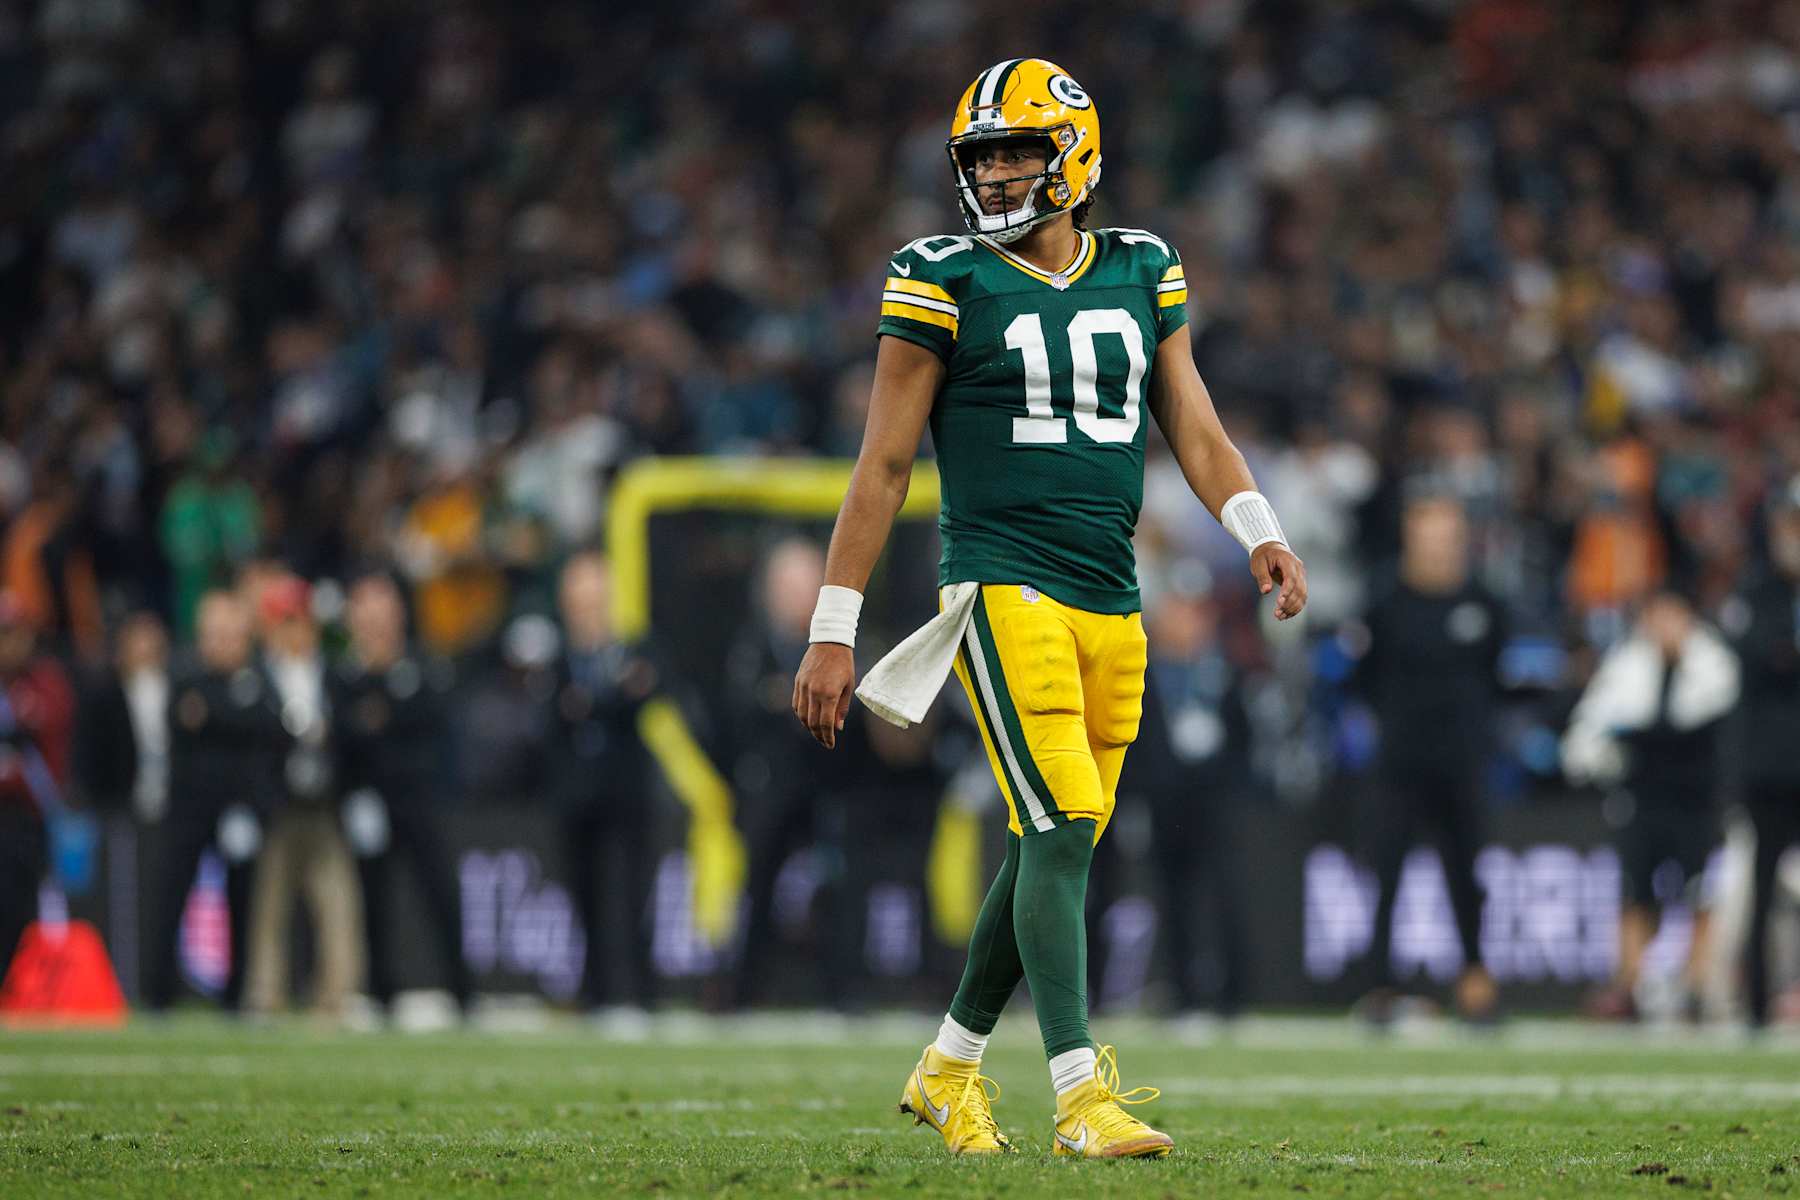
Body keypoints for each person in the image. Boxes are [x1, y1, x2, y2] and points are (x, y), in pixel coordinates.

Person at [791, 59, 1306, 1159]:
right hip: (1000, 582)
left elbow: (1198, 431)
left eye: (1018, 152)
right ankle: (1080, 1096)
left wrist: (1257, 528)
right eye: (982, 159)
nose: (997, 176)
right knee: (1063, 824)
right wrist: (834, 626)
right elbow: (882, 466)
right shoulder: (941, 277)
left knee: (1049, 846)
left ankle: (947, 1071)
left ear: (1074, 155)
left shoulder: (1143, 267)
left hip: (1110, 596)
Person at [1352, 490, 1503, 1024]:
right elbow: (1362, 678)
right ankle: (1378, 989)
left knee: (1467, 875)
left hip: (1462, 763)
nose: (1438, 546)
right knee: (1387, 871)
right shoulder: (1385, 600)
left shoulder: (1484, 601)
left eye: (1446, 535)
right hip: (1400, 763)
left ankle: (1476, 980)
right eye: (1428, 534)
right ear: (1410, 538)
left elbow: (1499, 674)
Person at [1563, 589, 1739, 1020]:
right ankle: (1629, 986)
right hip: (1642, 797)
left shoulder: (1714, 665)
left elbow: (1719, 724)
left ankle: (1697, 987)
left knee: (1700, 893)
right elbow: (1592, 726)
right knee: (1634, 892)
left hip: (1696, 799)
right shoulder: (1627, 665)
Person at [1109, 562, 1251, 1023]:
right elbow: (1133, 741)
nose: (1190, 621)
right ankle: (1184, 991)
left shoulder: (1225, 671)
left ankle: (1232, 995)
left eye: (1197, 611)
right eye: (1182, 609)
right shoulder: (1142, 670)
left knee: (1224, 891)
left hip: (1213, 799)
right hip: (1164, 800)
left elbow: (1242, 739)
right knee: (1171, 895)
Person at [333, 570, 471, 1018]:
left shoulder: (420, 666)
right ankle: (379, 991)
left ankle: (462, 991)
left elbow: (428, 721)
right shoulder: (343, 675)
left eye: (382, 610)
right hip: (368, 802)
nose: (374, 622)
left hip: (418, 800)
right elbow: (345, 734)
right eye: (366, 611)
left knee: (439, 892)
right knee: (372, 900)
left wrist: (380, 720)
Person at [145, 590, 285, 1011]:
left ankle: (236, 997)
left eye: (231, 634)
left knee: (244, 904)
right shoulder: (184, 676)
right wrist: (237, 720)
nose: (223, 643)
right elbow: (183, 723)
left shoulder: (259, 679)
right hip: (189, 809)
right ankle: (157, 995)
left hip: (241, 811)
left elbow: (271, 730)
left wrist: (217, 718)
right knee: (170, 898)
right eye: (215, 634)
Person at [243, 573, 365, 1020]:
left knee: (337, 903)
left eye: (299, 621)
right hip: (278, 808)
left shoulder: (332, 675)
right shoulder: (256, 678)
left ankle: (339, 993)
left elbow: (354, 738)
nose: (294, 631)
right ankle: (265, 993)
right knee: (270, 906)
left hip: (324, 805)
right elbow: (251, 747)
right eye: (285, 621)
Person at [550, 551, 664, 1026]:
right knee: (584, 893)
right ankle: (594, 990)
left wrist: (592, 702)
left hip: (626, 793)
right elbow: (552, 714)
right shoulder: (558, 655)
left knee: (634, 894)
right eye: (580, 599)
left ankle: (639, 992)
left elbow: (644, 693)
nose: (588, 608)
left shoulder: (635, 647)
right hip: (575, 794)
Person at [722, 537, 836, 1009]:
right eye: (787, 587)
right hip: (767, 788)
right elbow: (739, 712)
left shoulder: (836, 644)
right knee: (756, 888)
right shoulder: (752, 645)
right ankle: (745, 991)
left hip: (824, 786)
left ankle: (839, 991)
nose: (795, 598)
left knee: (836, 888)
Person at [1736, 483, 1800, 1027]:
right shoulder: (1756, 592)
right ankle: (1756, 1007)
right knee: (1761, 889)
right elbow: (1759, 656)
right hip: (1773, 769)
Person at [0, 593, 77, 984]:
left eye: (14, 634)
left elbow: (50, 727)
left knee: (20, 907)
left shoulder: (44, 681)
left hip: (27, 816)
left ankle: (16, 988)